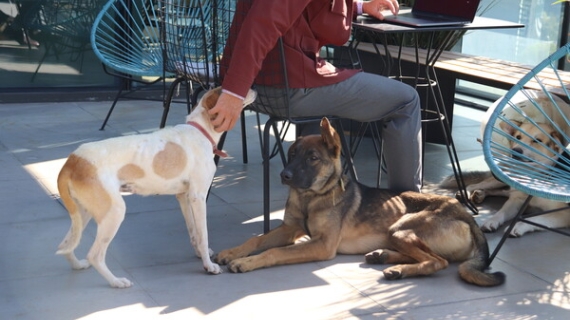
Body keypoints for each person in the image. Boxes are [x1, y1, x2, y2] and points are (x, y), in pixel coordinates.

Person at [211, 0, 422, 192]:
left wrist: (358, 7)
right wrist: (233, 92)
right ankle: (411, 208)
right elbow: (263, 23)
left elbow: (323, 24)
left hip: (263, 85)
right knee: (406, 101)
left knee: (322, 109)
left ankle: (308, 212)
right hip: (288, 86)